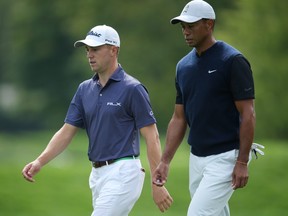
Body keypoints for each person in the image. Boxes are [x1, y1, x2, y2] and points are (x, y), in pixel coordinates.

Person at [22, 24, 173, 216]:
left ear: (113, 50)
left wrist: (157, 183)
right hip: (97, 175)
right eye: (87, 50)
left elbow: (152, 138)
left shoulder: (133, 89)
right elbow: (66, 132)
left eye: (95, 49)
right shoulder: (84, 89)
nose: (89, 54)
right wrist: (39, 162)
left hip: (124, 171)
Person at [153, 1, 257, 215]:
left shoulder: (232, 61)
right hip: (197, 157)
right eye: (183, 27)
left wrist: (242, 161)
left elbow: (248, 113)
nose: (185, 31)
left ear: (209, 24)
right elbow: (179, 118)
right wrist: (165, 161)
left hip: (226, 157)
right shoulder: (183, 67)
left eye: (191, 26)